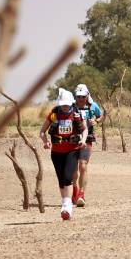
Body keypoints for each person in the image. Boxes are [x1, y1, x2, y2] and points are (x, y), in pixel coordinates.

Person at [39, 88, 88, 220]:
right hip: (56, 151)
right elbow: (42, 131)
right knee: (61, 180)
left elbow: (85, 130)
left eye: (67, 104)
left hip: (72, 150)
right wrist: (45, 142)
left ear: (71, 102)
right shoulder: (54, 114)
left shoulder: (77, 114)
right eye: (63, 104)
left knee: (68, 177)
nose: (65, 106)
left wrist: (83, 141)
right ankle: (65, 203)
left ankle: (67, 207)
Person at [70, 83, 102, 208]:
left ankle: (81, 195)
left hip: (87, 139)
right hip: (72, 140)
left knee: (83, 165)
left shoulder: (93, 106)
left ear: (87, 95)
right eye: (78, 97)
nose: (81, 99)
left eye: (83, 96)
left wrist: (96, 121)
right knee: (73, 170)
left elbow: (100, 115)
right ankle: (74, 189)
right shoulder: (71, 107)